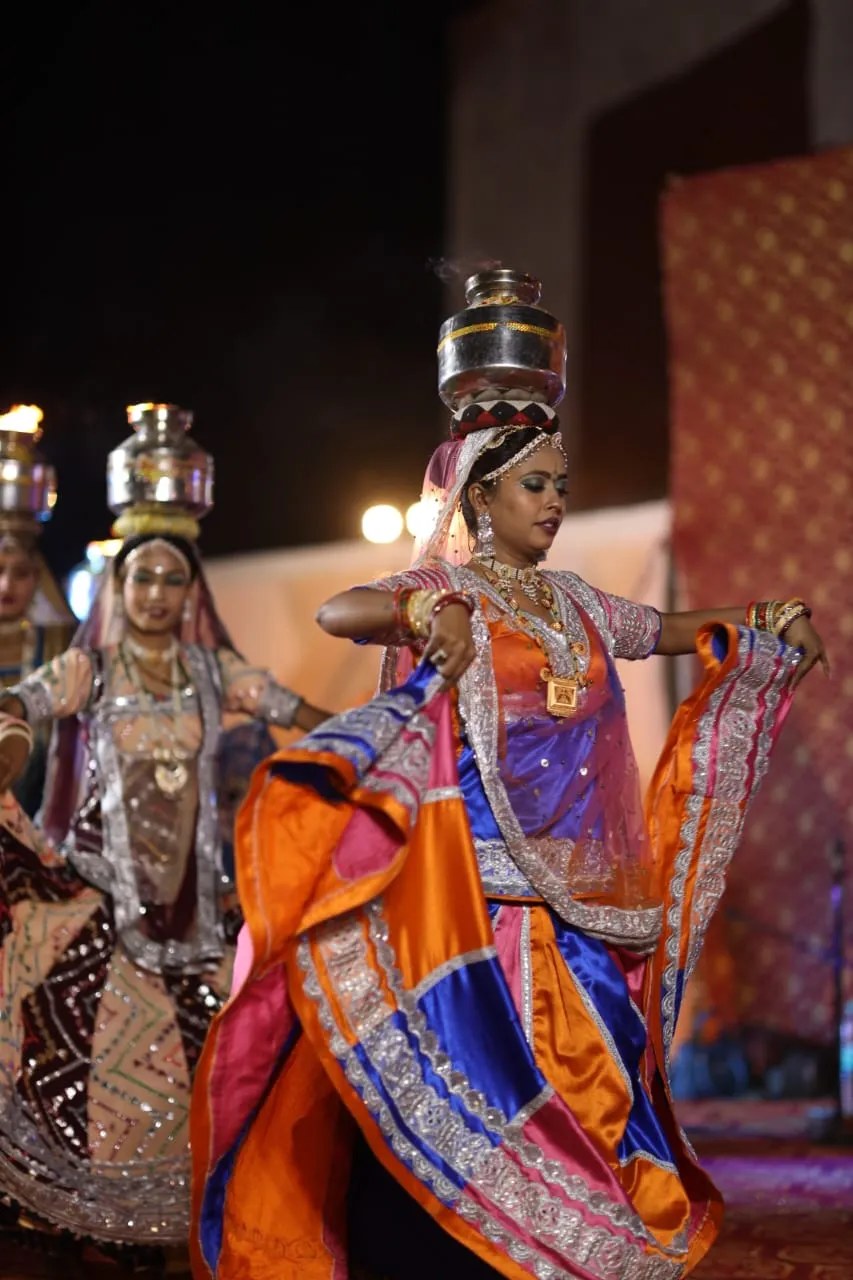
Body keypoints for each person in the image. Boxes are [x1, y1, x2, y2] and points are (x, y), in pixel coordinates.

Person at [190, 275, 828, 1280]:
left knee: (594, 1100)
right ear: (477, 494)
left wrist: (759, 621)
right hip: (469, 910)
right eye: (536, 484)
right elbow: (340, 612)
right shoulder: (441, 586)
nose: (556, 503)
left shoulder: (573, 599)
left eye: (562, 485)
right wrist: (416, 616)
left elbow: (663, 632)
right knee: (471, 1098)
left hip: (574, 913)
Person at [0, 407, 329, 1267]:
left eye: (170, 581)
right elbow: (20, 705)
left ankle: (175, 1226)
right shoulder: (91, 668)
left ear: (191, 594)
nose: (154, 594)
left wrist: (390, 738)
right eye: (140, 578)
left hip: (196, 908)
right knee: (77, 1058)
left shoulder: (215, 673)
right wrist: (11, 747)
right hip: (99, 895)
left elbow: (310, 722)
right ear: (118, 588)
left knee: (198, 1067)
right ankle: (78, 1223)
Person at [0, 403, 75, 817]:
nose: (7, 586)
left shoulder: (62, 645)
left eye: (21, 573)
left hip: (38, 819)